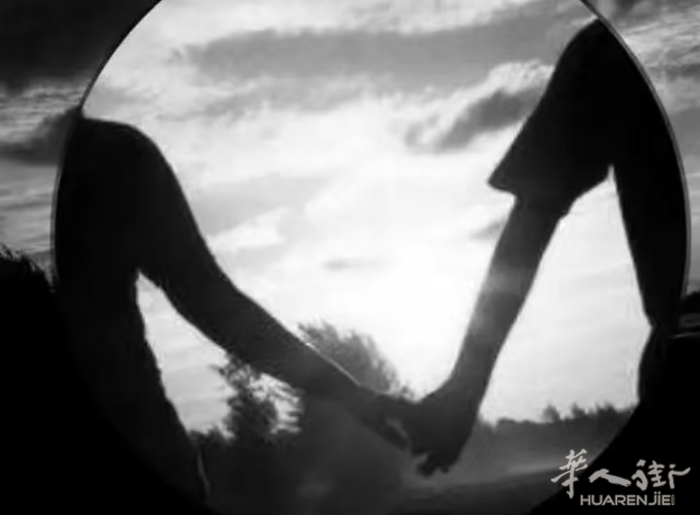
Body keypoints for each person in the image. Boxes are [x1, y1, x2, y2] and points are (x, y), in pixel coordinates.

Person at [53, 109, 408, 505]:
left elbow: (213, 303)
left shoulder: (113, 158)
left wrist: (347, 392)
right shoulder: (113, 156)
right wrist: (347, 394)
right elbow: (213, 303)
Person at [398, 8, 689, 476]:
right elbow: (533, 217)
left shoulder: (613, 48)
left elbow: (531, 221)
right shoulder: (613, 51)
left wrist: (467, 385)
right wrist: (466, 386)